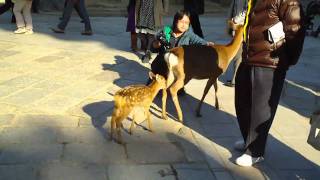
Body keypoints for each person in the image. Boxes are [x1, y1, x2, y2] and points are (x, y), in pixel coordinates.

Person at [234, 0, 305, 166]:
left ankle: (255, 151)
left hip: (270, 60)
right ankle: (248, 141)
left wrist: (287, 58)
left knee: (261, 108)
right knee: (242, 102)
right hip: (250, 56)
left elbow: (294, 29)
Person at [147, 10, 214, 93]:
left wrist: (207, 44)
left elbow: (200, 41)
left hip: (177, 67)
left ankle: (177, 84)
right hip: (163, 63)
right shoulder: (166, 30)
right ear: (175, 21)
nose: (184, 25)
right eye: (181, 21)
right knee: (154, 89)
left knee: (176, 90)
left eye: (186, 23)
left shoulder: (189, 34)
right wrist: (155, 45)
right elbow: (152, 48)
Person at [225, 0, 247, 87]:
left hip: (241, 28)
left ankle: (235, 80)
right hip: (237, 27)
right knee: (238, 55)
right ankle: (236, 78)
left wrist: (235, 20)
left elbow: (245, 10)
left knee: (238, 55)